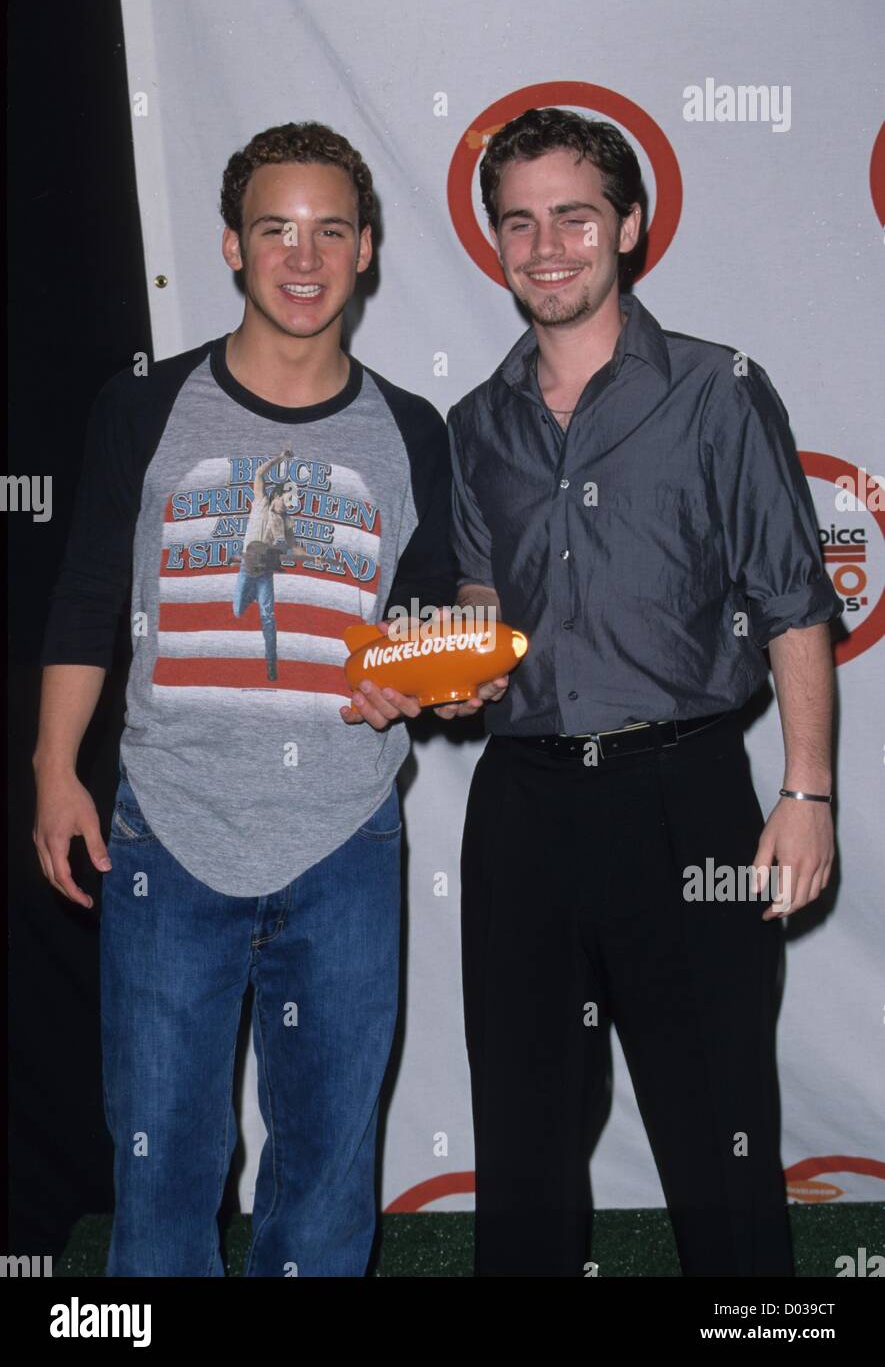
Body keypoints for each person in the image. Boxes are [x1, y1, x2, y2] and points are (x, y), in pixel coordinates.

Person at [32, 120, 456, 1277]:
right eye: (276, 228)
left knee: (325, 1166)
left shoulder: (413, 430)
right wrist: (54, 770)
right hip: (166, 832)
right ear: (231, 245)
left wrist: (416, 676)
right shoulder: (144, 407)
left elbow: (428, 615)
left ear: (367, 249)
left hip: (346, 842)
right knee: (162, 1169)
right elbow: (84, 595)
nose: (303, 256)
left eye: (330, 230)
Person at [436, 107, 843, 1277]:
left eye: (573, 214)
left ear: (629, 223)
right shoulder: (475, 427)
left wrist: (806, 790)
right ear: (496, 241)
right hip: (521, 807)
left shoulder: (718, 391)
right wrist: (447, 674)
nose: (545, 244)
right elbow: (480, 608)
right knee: (521, 1148)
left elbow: (793, 598)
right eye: (519, 221)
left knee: (721, 1139)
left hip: (687, 800)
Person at [230, 448, 308, 680]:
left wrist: (312, 557)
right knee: (237, 611)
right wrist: (281, 458)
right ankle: (251, 594)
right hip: (247, 565)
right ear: (277, 495)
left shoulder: (286, 520)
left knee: (268, 617)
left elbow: (294, 546)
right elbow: (259, 473)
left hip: (265, 570)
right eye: (287, 499)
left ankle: (271, 663)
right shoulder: (261, 501)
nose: (289, 504)